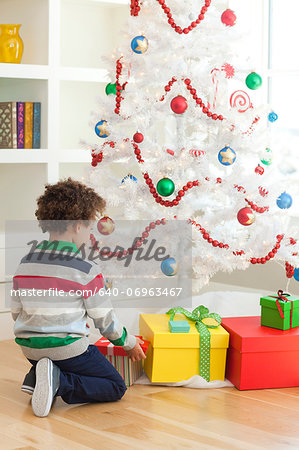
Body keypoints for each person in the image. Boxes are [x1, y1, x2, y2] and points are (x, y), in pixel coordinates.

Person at [11, 178, 146, 417]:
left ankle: (41, 375)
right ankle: (60, 383)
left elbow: (15, 311)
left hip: (30, 349)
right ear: (76, 226)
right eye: (88, 227)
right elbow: (105, 320)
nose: (88, 234)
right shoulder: (85, 268)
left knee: (69, 358)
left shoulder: (25, 263)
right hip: (67, 350)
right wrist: (129, 343)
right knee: (115, 386)